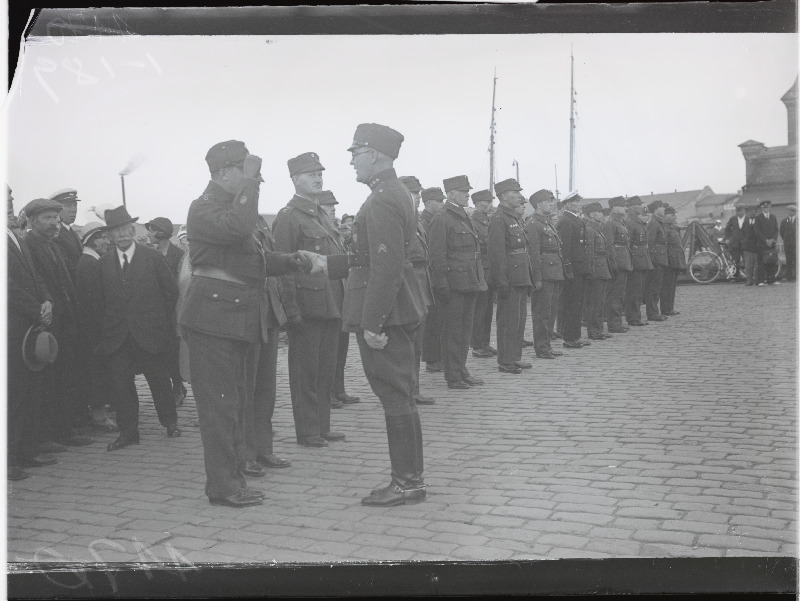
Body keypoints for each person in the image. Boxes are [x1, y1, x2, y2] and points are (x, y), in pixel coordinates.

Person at [180, 140, 312, 508]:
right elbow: (239, 229)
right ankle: (223, 486)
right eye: (245, 173)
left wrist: (292, 261)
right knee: (220, 408)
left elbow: (248, 259)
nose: (254, 183)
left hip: (232, 319)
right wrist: (250, 184)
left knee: (234, 403)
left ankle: (231, 477)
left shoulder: (227, 211)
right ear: (223, 174)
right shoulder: (204, 209)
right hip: (212, 320)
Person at [322, 122, 427, 506]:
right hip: (399, 309)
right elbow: (371, 257)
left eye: (355, 153)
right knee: (401, 395)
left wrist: (371, 324)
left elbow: (387, 265)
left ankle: (407, 483)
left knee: (395, 397)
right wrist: (325, 263)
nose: (351, 162)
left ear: (374, 155)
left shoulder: (382, 198)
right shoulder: (392, 192)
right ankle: (409, 479)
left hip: (387, 315)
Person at [272, 153, 347, 448]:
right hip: (306, 306)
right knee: (306, 371)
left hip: (331, 302)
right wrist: (292, 310)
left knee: (326, 369)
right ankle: (306, 430)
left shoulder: (322, 216)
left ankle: (322, 426)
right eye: (310, 174)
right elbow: (283, 268)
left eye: (319, 173)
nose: (317, 178)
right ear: (295, 180)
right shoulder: (289, 217)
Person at [96, 206, 181, 451]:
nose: (121, 235)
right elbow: (100, 301)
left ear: (133, 231)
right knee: (121, 386)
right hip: (118, 336)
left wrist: (157, 321)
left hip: (150, 333)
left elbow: (170, 292)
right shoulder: (103, 264)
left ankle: (170, 423)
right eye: (115, 232)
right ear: (109, 237)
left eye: (125, 229)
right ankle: (128, 433)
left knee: (159, 380)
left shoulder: (152, 257)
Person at [23, 198, 93, 450]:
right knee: (50, 381)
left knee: (67, 377)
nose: (53, 222)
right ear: (32, 221)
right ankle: (48, 434)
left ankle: (64, 430)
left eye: (55, 217)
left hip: (67, 322)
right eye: (47, 218)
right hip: (49, 325)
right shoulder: (29, 245)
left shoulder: (52, 245)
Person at [239, 215, 293, 478]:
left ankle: (263, 448)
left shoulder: (258, 221)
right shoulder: (232, 220)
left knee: (265, 389)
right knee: (245, 389)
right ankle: (245, 454)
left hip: (269, 311)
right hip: (246, 314)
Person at [8, 192, 57, 479]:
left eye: (11, 198)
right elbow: (8, 285)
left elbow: (36, 277)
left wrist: (47, 300)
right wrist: (36, 308)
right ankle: (10, 458)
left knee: (27, 392)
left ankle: (25, 452)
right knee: (13, 395)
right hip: (14, 327)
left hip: (28, 325)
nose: (10, 202)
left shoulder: (16, 237)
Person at [429, 175, 488, 389]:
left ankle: (461, 370)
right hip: (453, 284)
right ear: (451, 194)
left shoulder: (463, 216)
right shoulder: (442, 218)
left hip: (469, 281)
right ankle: (453, 375)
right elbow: (437, 255)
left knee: (465, 330)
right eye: (464, 192)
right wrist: (441, 282)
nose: (468, 195)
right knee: (452, 331)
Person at [316, 190, 360, 408]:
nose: (333, 208)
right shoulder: (320, 230)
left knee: (341, 345)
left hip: (341, 291)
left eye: (333, 205)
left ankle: (338, 389)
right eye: (328, 205)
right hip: (327, 293)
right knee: (328, 349)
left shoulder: (334, 231)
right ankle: (328, 392)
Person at [73, 222, 117, 432]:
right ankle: (99, 416)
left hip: (93, 330)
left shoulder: (91, 260)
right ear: (92, 240)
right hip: (94, 331)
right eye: (103, 238)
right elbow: (95, 304)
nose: (107, 242)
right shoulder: (89, 263)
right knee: (96, 373)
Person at [488, 178, 531, 374]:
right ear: (505, 196)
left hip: (520, 275)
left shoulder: (513, 217)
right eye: (516, 193)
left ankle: (515, 356)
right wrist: (502, 281)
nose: (521, 196)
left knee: (519, 319)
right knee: (508, 320)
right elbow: (497, 253)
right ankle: (505, 360)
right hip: (510, 278)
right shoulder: (499, 219)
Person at [399, 175, 435, 406]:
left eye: (419, 195)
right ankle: (405, 390)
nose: (418, 199)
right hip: (407, 285)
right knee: (406, 343)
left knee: (417, 344)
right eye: (413, 194)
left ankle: (414, 388)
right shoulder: (398, 220)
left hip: (421, 283)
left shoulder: (417, 222)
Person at [145, 216, 187, 405]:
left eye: (153, 230)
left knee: (173, 351)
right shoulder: (150, 254)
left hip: (173, 310)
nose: (149, 234)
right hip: (156, 311)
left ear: (162, 232)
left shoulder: (178, 254)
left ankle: (177, 386)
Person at [525, 189, 565, 360]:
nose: (551, 204)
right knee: (542, 313)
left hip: (554, 272)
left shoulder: (547, 223)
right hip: (544, 274)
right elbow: (533, 254)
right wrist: (537, 278)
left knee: (551, 312)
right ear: (539, 204)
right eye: (548, 201)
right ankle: (541, 347)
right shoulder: (533, 224)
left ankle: (547, 344)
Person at [556, 191, 591, 348]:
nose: (579, 204)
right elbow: (566, 248)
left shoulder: (575, 220)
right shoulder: (565, 220)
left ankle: (575, 335)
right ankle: (570, 337)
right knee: (571, 303)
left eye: (579, 202)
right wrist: (567, 268)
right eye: (576, 202)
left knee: (578, 303)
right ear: (567, 204)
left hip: (580, 267)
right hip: (573, 268)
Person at [419, 186, 446, 374]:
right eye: (439, 201)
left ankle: (437, 355)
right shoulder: (424, 222)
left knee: (437, 319)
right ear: (428, 203)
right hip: (428, 276)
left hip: (433, 275)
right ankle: (431, 358)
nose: (442, 204)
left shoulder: (434, 220)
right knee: (431, 320)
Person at [469, 189, 497, 359]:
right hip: (481, 270)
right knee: (480, 310)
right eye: (487, 203)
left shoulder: (487, 220)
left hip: (489, 268)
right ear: (478, 204)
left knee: (487, 310)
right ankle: (478, 345)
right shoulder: (473, 221)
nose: (490, 206)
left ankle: (485, 343)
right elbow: (480, 243)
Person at [583, 202, 614, 340]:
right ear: (591, 214)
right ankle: (594, 331)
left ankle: (599, 329)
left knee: (600, 301)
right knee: (594, 302)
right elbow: (589, 253)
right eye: (599, 212)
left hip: (602, 269)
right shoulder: (590, 230)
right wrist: (590, 271)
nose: (602, 214)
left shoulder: (597, 228)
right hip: (596, 270)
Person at [603, 196, 632, 333]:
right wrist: (613, 264)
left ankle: (617, 322)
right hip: (617, 264)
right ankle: (614, 324)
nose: (625, 208)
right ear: (614, 207)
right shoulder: (611, 223)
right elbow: (609, 246)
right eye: (622, 206)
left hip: (623, 262)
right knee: (614, 295)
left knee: (620, 294)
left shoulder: (620, 222)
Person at [624, 196, 653, 326]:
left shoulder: (637, 221)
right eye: (638, 204)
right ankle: (633, 318)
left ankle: (636, 317)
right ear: (631, 207)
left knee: (638, 290)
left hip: (641, 259)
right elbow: (627, 243)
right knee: (634, 291)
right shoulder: (630, 222)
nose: (641, 206)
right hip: (635, 260)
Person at [644, 200, 669, 321]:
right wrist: (652, 260)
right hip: (656, 260)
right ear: (655, 210)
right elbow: (649, 242)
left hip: (660, 258)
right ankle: (652, 313)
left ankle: (654, 311)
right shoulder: (653, 223)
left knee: (657, 287)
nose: (664, 209)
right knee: (653, 287)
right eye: (661, 207)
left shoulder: (658, 222)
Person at [49, 188, 84, 276]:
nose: (73, 209)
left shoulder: (72, 232)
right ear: (56, 209)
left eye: (74, 205)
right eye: (68, 205)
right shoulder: (55, 234)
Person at [660, 206, 686, 316]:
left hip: (675, 260)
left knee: (672, 286)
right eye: (671, 215)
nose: (674, 217)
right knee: (666, 286)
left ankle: (669, 308)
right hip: (669, 261)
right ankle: (666, 309)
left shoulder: (674, 228)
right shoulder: (664, 229)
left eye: (674, 215)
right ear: (664, 216)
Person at [754, 199, 781, 286]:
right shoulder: (758, 218)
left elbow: (776, 230)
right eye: (764, 208)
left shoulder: (773, 217)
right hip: (762, 244)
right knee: (761, 262)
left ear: (770, 208)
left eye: (767, 207)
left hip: (772, 243)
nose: (766, 209)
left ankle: (771, 280)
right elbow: (757, 231)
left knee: (772, 261)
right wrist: (765, 240)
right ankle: (760, 281)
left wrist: (773, 240)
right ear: (762, 209)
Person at [724, 204, 747, 282]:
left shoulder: (748, 219)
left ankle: (749, 276)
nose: (739, 213)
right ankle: (736, 276)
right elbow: (727, 229)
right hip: (735, 243)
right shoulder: (733, 219)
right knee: (735, 260)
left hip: (746, 243)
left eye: (741, 211)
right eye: (738, 211)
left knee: (746, 259)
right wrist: (727, 238)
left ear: (744, 211)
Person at [742, 205, 760, 286]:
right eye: (750, 212)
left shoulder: (759, 220)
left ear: (756, 212)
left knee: (757, 265)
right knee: (748, 265)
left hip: (757, 247)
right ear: (747, 213)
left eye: (753, 211)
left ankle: (756, 280)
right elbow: (743, 233)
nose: (752, 213)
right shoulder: (745, 222)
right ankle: (749, 280)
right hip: (748, 247)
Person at [779, 204, 796, 281]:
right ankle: (789, 276)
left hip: (796, 244)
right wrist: (786, 239)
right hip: (787, 244)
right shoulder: (784, 221)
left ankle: (797, 276)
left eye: (793, 211)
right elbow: (782, 232)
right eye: (789, 211)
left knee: (796, 260)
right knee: (789, 260)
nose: (791, 212)